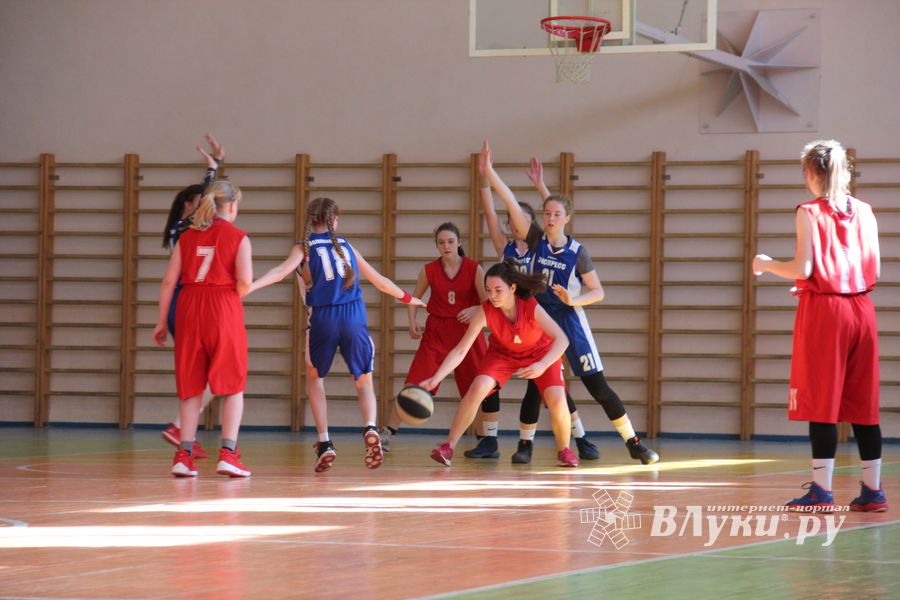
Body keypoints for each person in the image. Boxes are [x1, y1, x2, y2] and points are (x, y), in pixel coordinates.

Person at [481, 140, 659, 465]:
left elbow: (598, 291)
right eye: (546, 213)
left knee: (597, 386)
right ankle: (526, 445)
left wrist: (574, 299)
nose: (550, 218)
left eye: (556, 214)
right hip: (540, 320)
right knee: (536, 385)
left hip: (570, 320)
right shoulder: (535, 240)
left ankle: (633, 442)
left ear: (567, 219)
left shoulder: (577, 252)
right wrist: (490, 173)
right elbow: (510, 203)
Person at [753, 140, 887, 512]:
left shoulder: (809, 211)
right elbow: (874, 269)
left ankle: (821, 491)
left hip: (827, 312)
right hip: (862, 309)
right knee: (863, 403)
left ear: (812, 172)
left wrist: (767, 264)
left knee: (821, 400)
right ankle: (873, 490)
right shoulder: (866, 211)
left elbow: (804, 268)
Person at [247, 197, 425, 473]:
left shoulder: (304, 248)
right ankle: (370, 427)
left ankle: (324, 441)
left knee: (314, 378)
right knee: (363, 381)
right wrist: (409, 298)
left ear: (310, 220)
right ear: (335, 221)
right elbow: (380, 282)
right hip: (354, 316)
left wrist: (249, 287)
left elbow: (280, 272)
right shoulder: (346, 246)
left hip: (323, 318)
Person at [479, 159, 600, 464]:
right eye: (511, 219)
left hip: (539, 318)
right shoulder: (505, 247)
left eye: (519, 218)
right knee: (534, 386)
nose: (514, 222)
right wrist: (484, 179)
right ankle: (550, 441)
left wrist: (541, 187)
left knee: (549, 387)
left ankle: (573, 439)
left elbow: (555, 216)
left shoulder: (539, 246)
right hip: (512, 320)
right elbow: (492, 213)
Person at [423, 260, 578, 467]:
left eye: (498, 290)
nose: (492, 295)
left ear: (512, 288)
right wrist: (436, 378)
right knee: (477, 388)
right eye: (488, 290)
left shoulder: (530, 305)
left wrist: (542, 364)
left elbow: (562, 339)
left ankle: (564, 451)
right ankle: (448, 447)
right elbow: (461, 350)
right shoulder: (485, 310)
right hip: (502, 354)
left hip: (540, 353)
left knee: (557, 398)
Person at [152, 179, 252, 478]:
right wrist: (233, 293)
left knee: (191, 384)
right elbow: (245, 282)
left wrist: (161, 321)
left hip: (188, 306)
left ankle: (183, 456)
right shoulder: (239, 237)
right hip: (222, 306)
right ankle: (228, 454)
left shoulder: (187, 237)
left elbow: (168, 281)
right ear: (231, 206)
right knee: (233, 385)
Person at [380, 223, 504, 458]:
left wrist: (474, 309)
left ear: (459, 242)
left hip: (467, 332)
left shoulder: (474, 269)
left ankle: (487, 441)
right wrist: (412, 320)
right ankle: (387, 433)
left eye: (450, 241)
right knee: (414, 385)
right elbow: (413, 298)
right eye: (441, 242)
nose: (446, 246)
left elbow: (487, 303)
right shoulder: (429, 270)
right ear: (436, 245)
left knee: (482, 388)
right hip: (437, 333)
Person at [159, 134, 225, 458]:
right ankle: (179, 429)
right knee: (215, 373)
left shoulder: (187, 227)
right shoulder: (185, 229)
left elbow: (210, 197)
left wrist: (216, 165)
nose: (208, 208)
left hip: (188, 304)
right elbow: (211, 197)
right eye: (201, 202)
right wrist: (213, 170)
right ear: (189, 205)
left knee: (209, 373)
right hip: (187, 304)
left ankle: (183, 434)